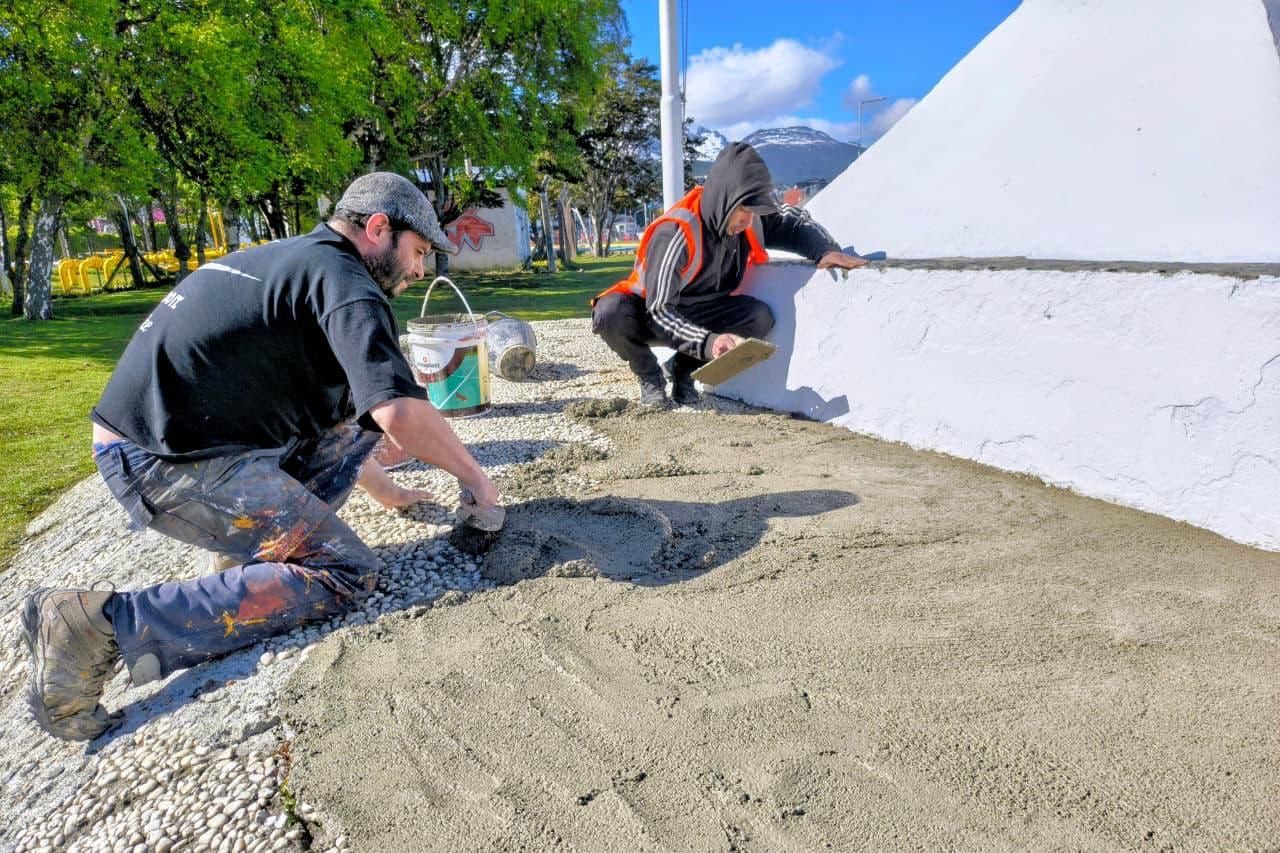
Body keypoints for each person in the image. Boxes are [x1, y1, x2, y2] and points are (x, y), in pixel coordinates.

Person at [22, 172, 500, 741]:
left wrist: (385, 488)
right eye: (418, 251)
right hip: (162, 460)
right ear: (378, 229)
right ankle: (100, 625)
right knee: (348, 572)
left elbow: (363, 412)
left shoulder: (298, 261)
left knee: (355, 413)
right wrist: (476, 479)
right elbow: (398, 408)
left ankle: (247, 560)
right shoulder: (347, 285)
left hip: (177, 437)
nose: (419, 270)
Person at [592, 142, 866, 407]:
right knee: (609, 312)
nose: (748, 220)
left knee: (758, 317)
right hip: (651, 314)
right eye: (744, 210)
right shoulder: (677, 233)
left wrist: (824, 249)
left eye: (754, 211)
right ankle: (650, 377)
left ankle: (681, 368)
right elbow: (660, 310)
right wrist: (709, 343)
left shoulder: (748, 219)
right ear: (723, 198)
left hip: (702, 310)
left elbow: (792, 221)